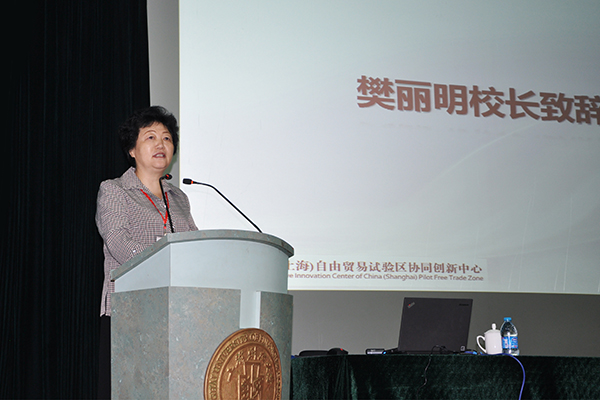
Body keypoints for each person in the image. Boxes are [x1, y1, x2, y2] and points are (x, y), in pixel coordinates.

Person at [95, 106, 198, 398]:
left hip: (176, 311)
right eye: (150, 137)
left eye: (167, 138)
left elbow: (194, 246)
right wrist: (164, 262)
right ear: (132, 149)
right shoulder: (115, 190)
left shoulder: (179, 198)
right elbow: (117, 241)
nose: (160, 144)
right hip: (129, 309)